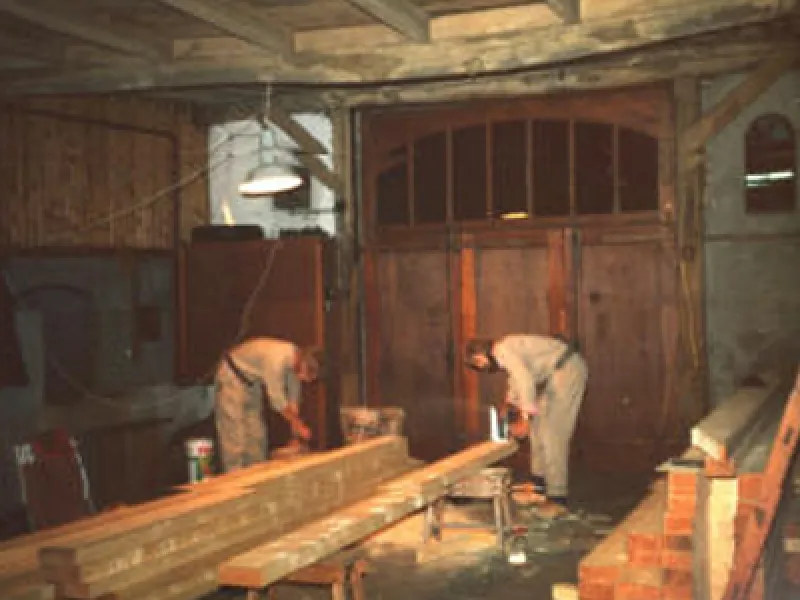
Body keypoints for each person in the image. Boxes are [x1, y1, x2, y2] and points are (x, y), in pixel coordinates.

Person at [465, 333, 587, 519]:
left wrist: (524, 420)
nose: (482, 368)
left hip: (567, 370)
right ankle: (538, 486)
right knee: (538, 430)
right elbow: (516, 380)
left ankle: (557, 498)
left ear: (479, 355)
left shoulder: (503, 350)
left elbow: (525, 380)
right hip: (556, 374)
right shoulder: (506, 351)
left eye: (478, 364)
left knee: (552, 435)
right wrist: (509, 404)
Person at [213, 337, 320, 472]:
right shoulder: (276, 359)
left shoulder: (295, 358)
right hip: (232, 378)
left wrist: (295, 426)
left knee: (257, 438)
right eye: (305, 374)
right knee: (235, 440)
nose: (302, 378)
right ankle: (235, 478)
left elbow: (293, 391)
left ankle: (257, 477)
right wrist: (298, 425)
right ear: (303, 362)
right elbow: (277, 399)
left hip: (252, 384)